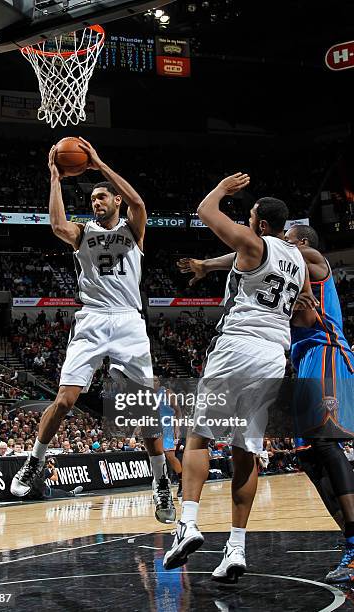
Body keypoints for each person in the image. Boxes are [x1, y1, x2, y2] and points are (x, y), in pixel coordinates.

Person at [11, 137, 175, 524]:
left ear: (116, 201)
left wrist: (99, 163)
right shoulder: (83, 233)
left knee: (143, 410)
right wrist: (55, 177)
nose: (97, 203)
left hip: (129, 322)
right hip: (93, 318)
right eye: (93, 200)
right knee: (65, 399)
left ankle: (160, 482)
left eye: (103, 197)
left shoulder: (134, 230)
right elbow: (55, 224)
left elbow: (140, 203)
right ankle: (34, 460)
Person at [163, 173, 313, 580]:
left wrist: (222, 191)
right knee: (246, 449)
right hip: (272, 357)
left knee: (199, 436)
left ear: (261, 225)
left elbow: (205, 213)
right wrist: (208, 265)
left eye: (249, 217)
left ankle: (188, 523)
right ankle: (236, 549)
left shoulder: (253, 242)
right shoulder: (297, 258)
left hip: (238, 345)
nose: (246, 222)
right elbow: (302, 306)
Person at [284, 224, 354, 583]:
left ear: (303, 242)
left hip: (327, 352)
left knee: (326, 442)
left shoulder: (313, 260)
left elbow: (263, 253)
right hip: (304, 363)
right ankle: (350, 540)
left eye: (286, 237)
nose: (281, 243)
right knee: (309, 455)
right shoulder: (289, 283)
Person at [154, 376, 183, 497]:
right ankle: (162, 485)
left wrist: (177, 428)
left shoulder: (167, 393)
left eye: (155, 380)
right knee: (157, 458)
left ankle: (182, 482)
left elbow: (178, 411)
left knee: (170, 456)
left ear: (159, 382)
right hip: (155, 428)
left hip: (168, 428)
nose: (153, 382)